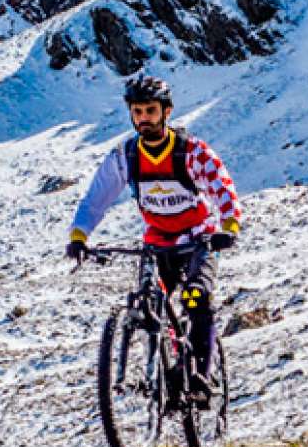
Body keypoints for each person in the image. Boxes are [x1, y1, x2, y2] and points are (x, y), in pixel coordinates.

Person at [65, 74, 242, 391]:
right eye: (137, 112)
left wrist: (228, 226)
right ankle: (162, 369)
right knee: (151, 304)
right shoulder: (126, 156)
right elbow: (96, 198)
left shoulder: (191, 152)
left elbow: (222, 189)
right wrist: (79, 236)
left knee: (196, 297)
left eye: (150, 111)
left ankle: (202, 375)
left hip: (198, 240)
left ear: (166, 112)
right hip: (157, 242)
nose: (144, 119)